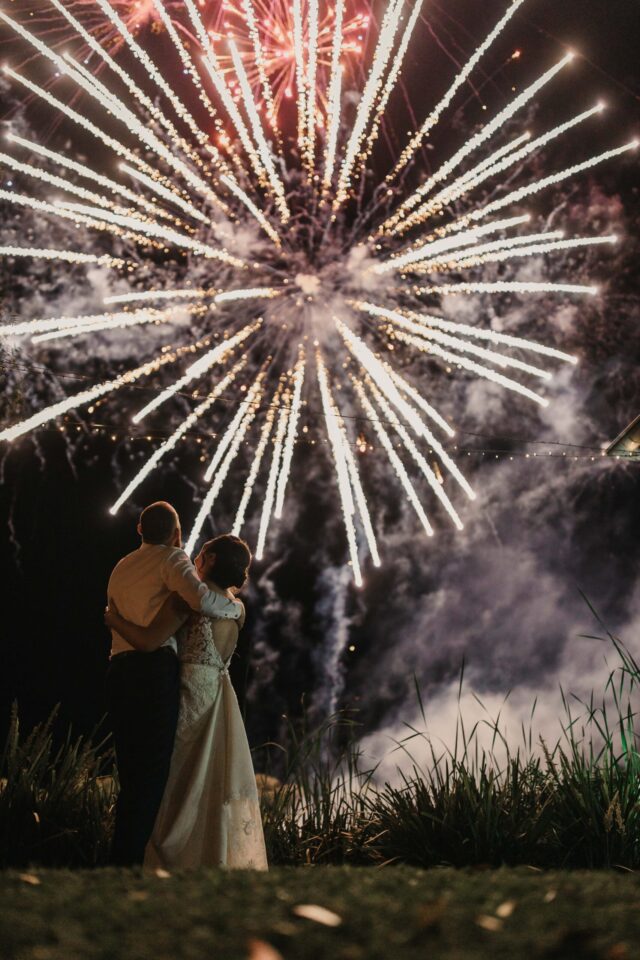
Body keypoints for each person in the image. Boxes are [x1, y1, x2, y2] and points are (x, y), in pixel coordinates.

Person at [105, 534, 268, 871]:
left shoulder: (186, 601)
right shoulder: (236, 607)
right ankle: (209, 855)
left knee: (175, 777)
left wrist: (115, 620)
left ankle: (166, 858)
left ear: (208, 559)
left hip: (188, 692)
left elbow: (150, 640)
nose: (194, 557)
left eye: (202, 553)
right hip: (219, 695)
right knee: (208, 779)